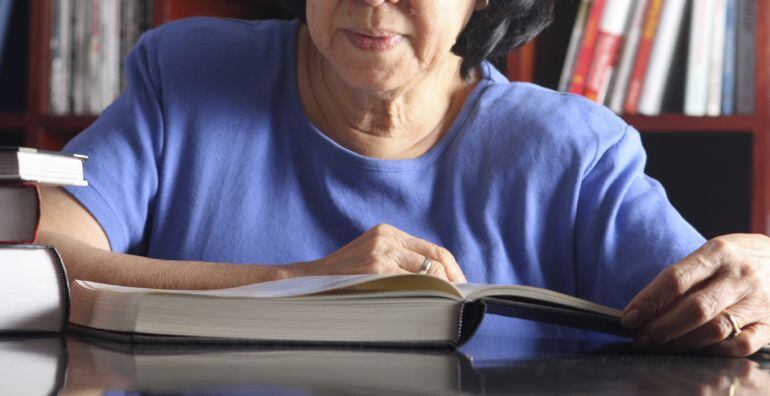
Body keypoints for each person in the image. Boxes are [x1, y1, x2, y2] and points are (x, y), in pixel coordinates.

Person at [39, 0, 770, 356]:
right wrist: (305, 285)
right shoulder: (188, 73)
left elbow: (725, 313)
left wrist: (761, 282)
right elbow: (36, 257)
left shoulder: (572, 149)